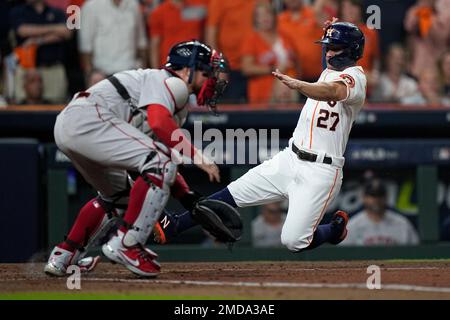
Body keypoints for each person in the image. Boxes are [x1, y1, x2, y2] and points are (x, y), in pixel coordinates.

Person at [153, 21, 367, 253]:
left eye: (335, 48)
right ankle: (175, 225)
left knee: (294, 241)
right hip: (290, 158)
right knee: (231, 194)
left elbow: (334, 91)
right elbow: (328, 64)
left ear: (351, 51)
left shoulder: (356, 78)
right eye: (328, 46)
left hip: (321, 171)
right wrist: (330, 27)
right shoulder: (329, 70)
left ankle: (333, 231)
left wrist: (299, 85)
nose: (328, 52)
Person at [44, 40, 229, 278]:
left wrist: (189, 199)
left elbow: (156, 157)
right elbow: (159, 124)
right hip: (89, 118)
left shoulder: (173, 99)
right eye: (206, 72)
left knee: (118, 197)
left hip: (71, 126)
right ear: (186, 70)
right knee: (160, 162)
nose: (212, 79)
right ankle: (127, 244)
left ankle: (64, 257)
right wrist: (197, 156)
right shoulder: (172, 83)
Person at [9, 0, 71, 103]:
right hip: (26, 71)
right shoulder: (18, 11)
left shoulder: (56, 12)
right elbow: (23, 30)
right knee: (22, 108)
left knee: (55, 107)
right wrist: (55, 29)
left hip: (52, 69)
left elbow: (67, 32)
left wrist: (37, 40)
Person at [206, 0, 266, 103]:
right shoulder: (218, 2)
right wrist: (220, 67)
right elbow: (211, 34)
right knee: (231, 111)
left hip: (256, 68)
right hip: (231, 68)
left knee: (260, 112)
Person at [241, 2, 296, 104]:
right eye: (260, 15)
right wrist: (274, 68)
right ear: (255, 19)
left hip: (289, 92)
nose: (265, 18)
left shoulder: (285, 37)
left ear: (274, 16)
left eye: (268, 14)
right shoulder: (251, 40)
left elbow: (296, 62)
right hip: (262, 94)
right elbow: (247, 68)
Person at [79, 0, 148, 80]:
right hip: (102, 73)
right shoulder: (91, 6)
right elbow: (85, 45)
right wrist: (89, 74)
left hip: (130, 71)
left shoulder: (133, 4)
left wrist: (144, 73)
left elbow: (141, 40)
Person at [341, 179, 419, 246]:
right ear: (364, 198)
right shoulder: (353, 225)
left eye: (380, 195)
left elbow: (416, 252)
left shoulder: (402, 224)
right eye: (372, 195)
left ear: (386, 197)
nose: (376, 200)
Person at [148, 0, 209, 69]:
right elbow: (155, 45)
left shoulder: (198, 9)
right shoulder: (159, 13)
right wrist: (155, 71)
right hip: (171, 66)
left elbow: (206, 34)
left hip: (196, 64)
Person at [404, 0, 450, 79]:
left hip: (437, 70)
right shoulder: (417, 9)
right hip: (417, 67)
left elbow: (441, 36)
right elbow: (409, 26)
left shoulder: (445, 10)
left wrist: (427, 15)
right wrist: (424, 10)